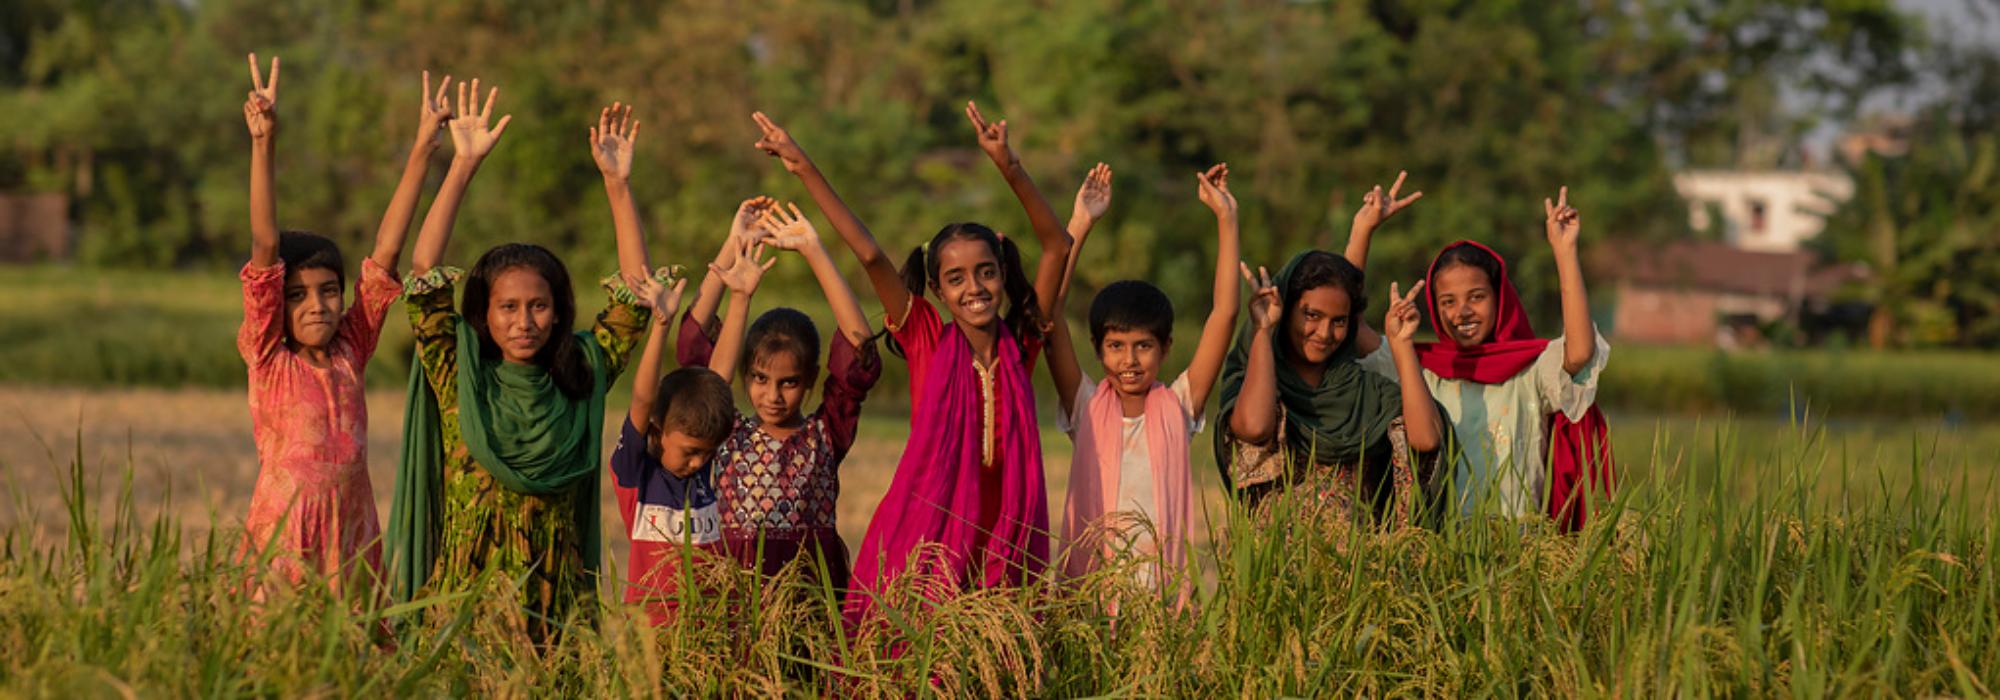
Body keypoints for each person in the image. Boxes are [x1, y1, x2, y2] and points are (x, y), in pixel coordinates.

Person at [743, 104, 1072, 626]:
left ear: (1003, 277)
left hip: (1003, 536)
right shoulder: (925, 338)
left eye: (986, 272)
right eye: (958, 278)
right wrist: (802, 164)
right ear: (937, 290)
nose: (975, 288)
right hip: (930, 533)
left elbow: (1058, 244)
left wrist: (1009, 165)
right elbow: (871, 255)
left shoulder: (1021, 344)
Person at [386, 98, 657, 641]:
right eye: (507, 307)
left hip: (554, 606)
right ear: (484, 314)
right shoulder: (459, 374)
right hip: (466, 604)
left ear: (557, 312)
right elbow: (424, 271)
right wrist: (462, 166)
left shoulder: (580, 374)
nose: (524, 321)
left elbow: (635, 296)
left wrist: (617, 185)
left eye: (538, 306)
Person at [235, 55, 444, 598]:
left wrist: (423, 147)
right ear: (275, 306)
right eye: (298, 296)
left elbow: (387, 254)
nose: (318, 306)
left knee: (351, 653)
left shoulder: (353, 346)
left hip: (350, 531)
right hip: (286, 531)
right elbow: (263, 249)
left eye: (329, 291)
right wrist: (264, 143)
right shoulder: (269, 358)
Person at [1346, 186, 1613, 528]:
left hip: (1519, 548)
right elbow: (1350, 331)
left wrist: (1564, 251)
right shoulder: (1420, 367)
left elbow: (1579, 351)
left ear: (1499, 298)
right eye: (1448, 302)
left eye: (1476, 297)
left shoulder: (1530, 370)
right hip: (1438, 549)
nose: (1462, 312)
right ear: (1434, 307)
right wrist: (1362, 231)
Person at [1044, 163, 1239, 609]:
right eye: (1116, 346)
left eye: (1143, 346)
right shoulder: (1086, 406)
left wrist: (1226, 220)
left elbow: (1224, 315)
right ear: (1097, 348)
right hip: (1091, 598)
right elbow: (1049, 315)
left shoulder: (1180, 405)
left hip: (1161, 601)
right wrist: (1080, 223)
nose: (1129, 361)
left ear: (1166, 347)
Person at [676, 204, 882, 594]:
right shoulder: (727, 431)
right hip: (735, 598)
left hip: (809, 597)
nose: (772, 396)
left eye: (788, 382)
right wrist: (734, 259)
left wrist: (815, 251)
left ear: (809, 382)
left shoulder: (826, 434)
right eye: (759, 379)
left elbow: (860, 356)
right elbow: (695, 353)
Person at [1212, 248, 1450, 533]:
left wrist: (1401, 346)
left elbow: (1426, 440)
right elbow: (1254, 427)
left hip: (1358, 567)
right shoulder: (1258, 387)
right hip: (1276, 570)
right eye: (1311, 315)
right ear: (1286, 312)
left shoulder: (1366, 392)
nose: (1324, 333)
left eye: (1339, 321)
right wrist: (1263, 330)